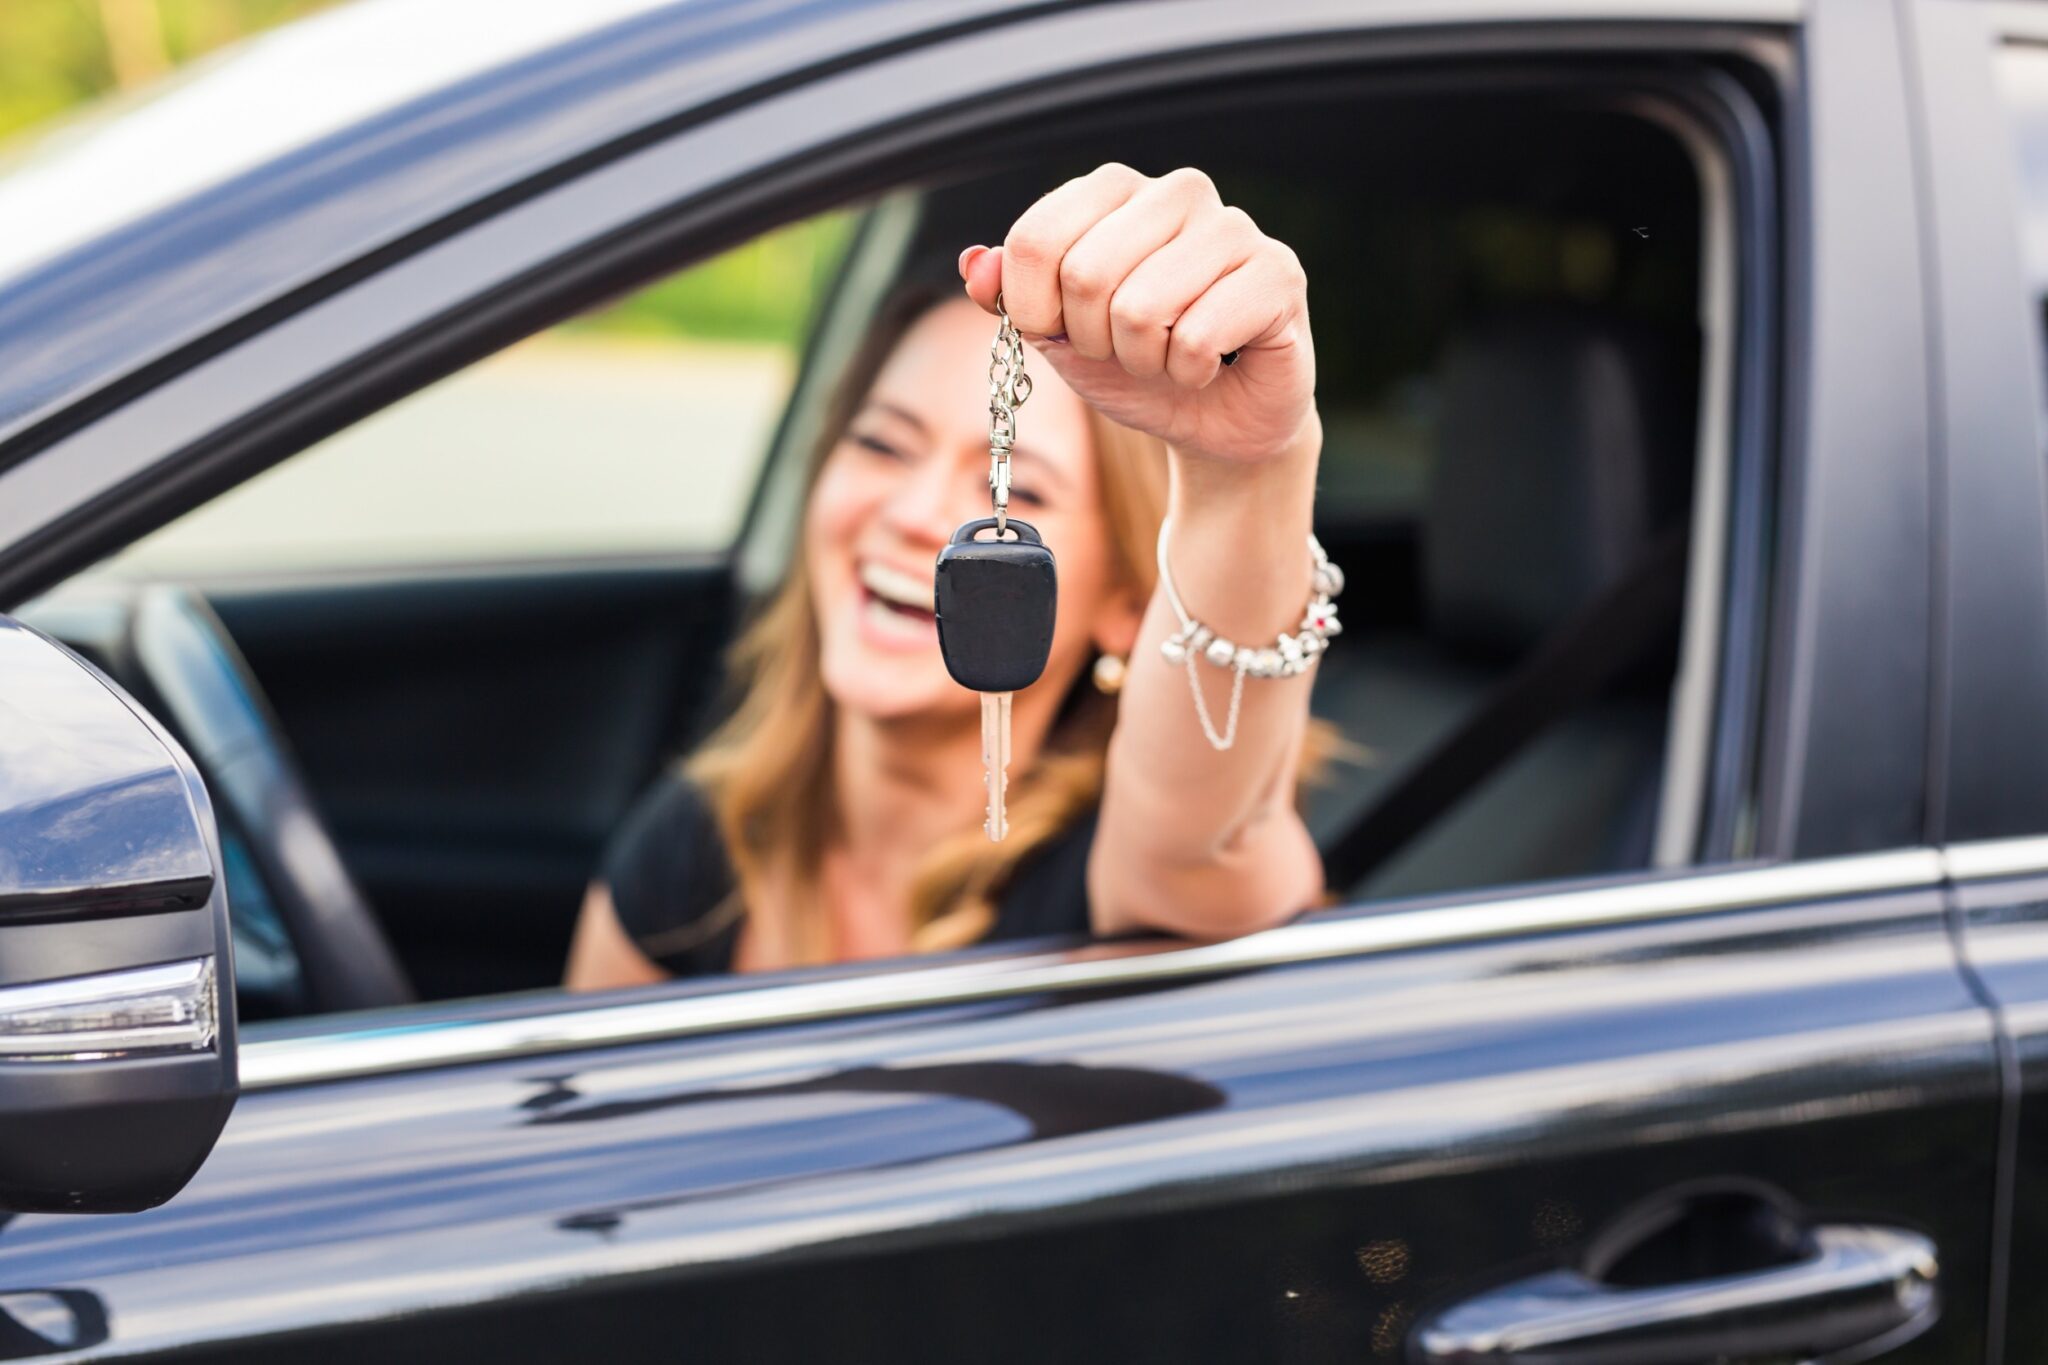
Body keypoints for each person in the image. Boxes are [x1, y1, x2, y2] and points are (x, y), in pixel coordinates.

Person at [565, 162, 1331, 989]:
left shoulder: (1145, 872)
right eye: (883, 444)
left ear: (1127, 604)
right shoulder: (699, 839)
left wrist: (1251, 471)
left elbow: (1213, 838)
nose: (918, 514)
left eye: (1017, 489)